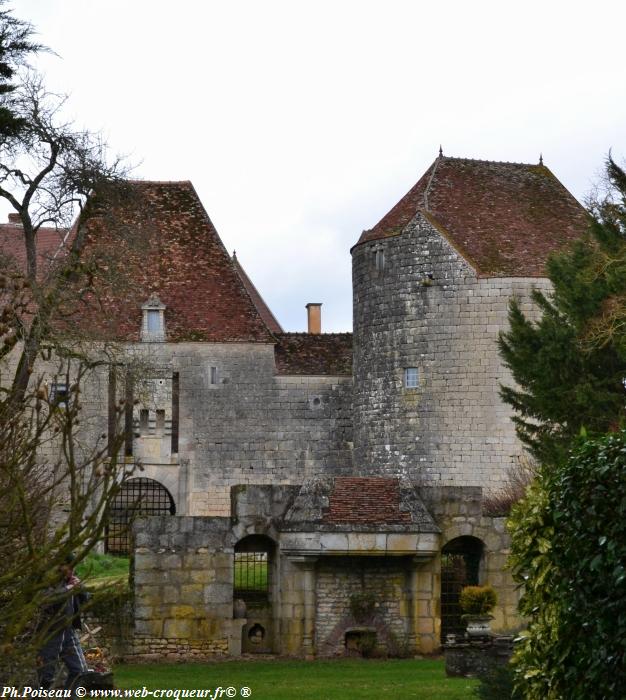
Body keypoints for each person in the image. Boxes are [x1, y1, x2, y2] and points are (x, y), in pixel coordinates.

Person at [37, 553, 89, 690]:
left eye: (73, 568)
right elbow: (46, 600)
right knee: (45, 677)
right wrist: (67, 589)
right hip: (51, 633)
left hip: (69, 632)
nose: (71, 571)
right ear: (61, 566)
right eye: (69, 567)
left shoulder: (72, 580)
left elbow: (86, 599)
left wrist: (80, 587)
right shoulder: (49, 581)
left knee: (80, 671)